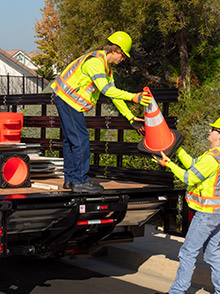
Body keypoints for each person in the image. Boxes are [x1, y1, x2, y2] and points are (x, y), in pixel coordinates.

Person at [153, 115, 220, 294]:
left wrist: (169, 165)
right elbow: (193, 164)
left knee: (187, 252)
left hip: (207, 213)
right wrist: (176, 149)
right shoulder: (219, 154)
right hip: (217, 212)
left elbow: (189, 177)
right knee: (212, 254)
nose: (209, 131)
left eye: (213, 129)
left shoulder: (213, 157)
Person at [50, 31, 151, 193]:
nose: (123, 59)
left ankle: (71, 180)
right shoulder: (96, 63)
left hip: (64, 98)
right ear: (116, 50)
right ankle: (80, 181)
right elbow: (106, 90)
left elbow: (114, 94)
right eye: (123, 55)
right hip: (68, 100)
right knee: (80, 140)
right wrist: (134, 97)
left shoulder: (105, 67)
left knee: (70, 141)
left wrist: (130, 117)